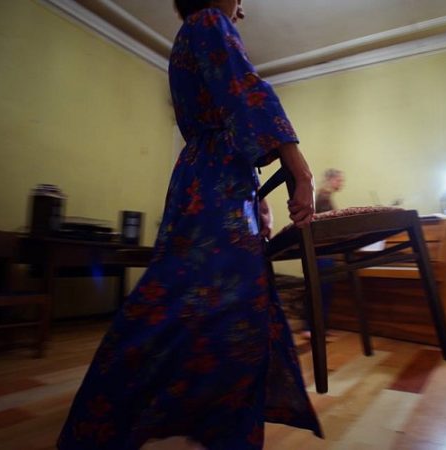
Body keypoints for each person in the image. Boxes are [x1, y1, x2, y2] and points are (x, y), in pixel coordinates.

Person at [56, 1, 321, 449]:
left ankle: (219, 425)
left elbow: (235, 107)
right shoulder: (208, 21)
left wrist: (256, 198)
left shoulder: (198, 29)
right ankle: (99, 427)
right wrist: (301, 169)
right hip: (214, 181)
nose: (242, 7)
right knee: (188, 301)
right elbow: (246, 89)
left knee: (231, 305)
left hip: (212, 178)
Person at [302, 169, 344, 339]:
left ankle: (321, 327)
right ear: (330, 179)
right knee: (318, 290)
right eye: (339, 180)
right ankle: (309, 328)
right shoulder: (321, 198)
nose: (341, 183)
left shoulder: (325, 198)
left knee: (326, 291)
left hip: (326, 251)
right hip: (320, 252)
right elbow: (320, 225)